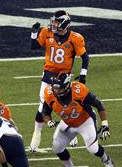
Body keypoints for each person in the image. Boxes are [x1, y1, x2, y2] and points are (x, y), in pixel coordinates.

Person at [29, 10, 89, 152]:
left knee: (67, 105)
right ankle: (36, 135)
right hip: (48, 73)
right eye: (53, 21)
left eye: (56, 21)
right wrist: (33, 33)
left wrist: (83, 75)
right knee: (43, 104)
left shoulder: (75, 37)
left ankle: (72, 133)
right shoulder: (46, 32)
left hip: (64, 76)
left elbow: (85, 57)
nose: (53, 24)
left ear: (64, 22)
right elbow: (34, 46)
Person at [41, 72, 116, 167]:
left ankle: (106, 159)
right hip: (67, 123)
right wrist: (48, 121)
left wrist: (105, 124)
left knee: (93, 149)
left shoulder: (78, 91)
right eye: (55, 88)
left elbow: (98, 104)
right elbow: (45, 112)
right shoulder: (50, 94)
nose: (56, 91)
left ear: (66, 86)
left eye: (59, 88)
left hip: (85, 122)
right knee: (57, 147)